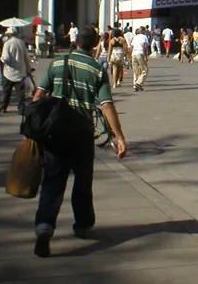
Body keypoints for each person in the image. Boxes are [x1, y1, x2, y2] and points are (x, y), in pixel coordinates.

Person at [32, 25, 128, 257]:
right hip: (82, 135)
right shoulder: (96, 69)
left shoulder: (56, 64)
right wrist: (119, 136)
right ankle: (83, 225)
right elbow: (106, 105)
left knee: (52, 182)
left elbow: (38, 94)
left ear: (76, 42)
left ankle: (45, 227)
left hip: (54, 134)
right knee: (83, 183)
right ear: (96, 44)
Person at [0, 27, 33, 113]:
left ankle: (3, 107)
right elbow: (26, 58)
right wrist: (28, 68)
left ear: (9, 34)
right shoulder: (21, 43)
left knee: (6, 91)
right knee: (20, 93)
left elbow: (5, 58)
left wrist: (1, 58)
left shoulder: (7, 43)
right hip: (20, 72)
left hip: (9, 72)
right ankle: (21, 108)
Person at [130, 27, 149, 92]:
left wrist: (130, 55)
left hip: (134, 53)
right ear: (143, 31)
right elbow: (144, 46)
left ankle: (135, 85)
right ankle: (139, 83)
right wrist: (145, 55)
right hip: (140, 53)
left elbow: (131, 46)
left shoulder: (135, 37)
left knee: (136, 71)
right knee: (145, 70)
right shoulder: (144, 37)